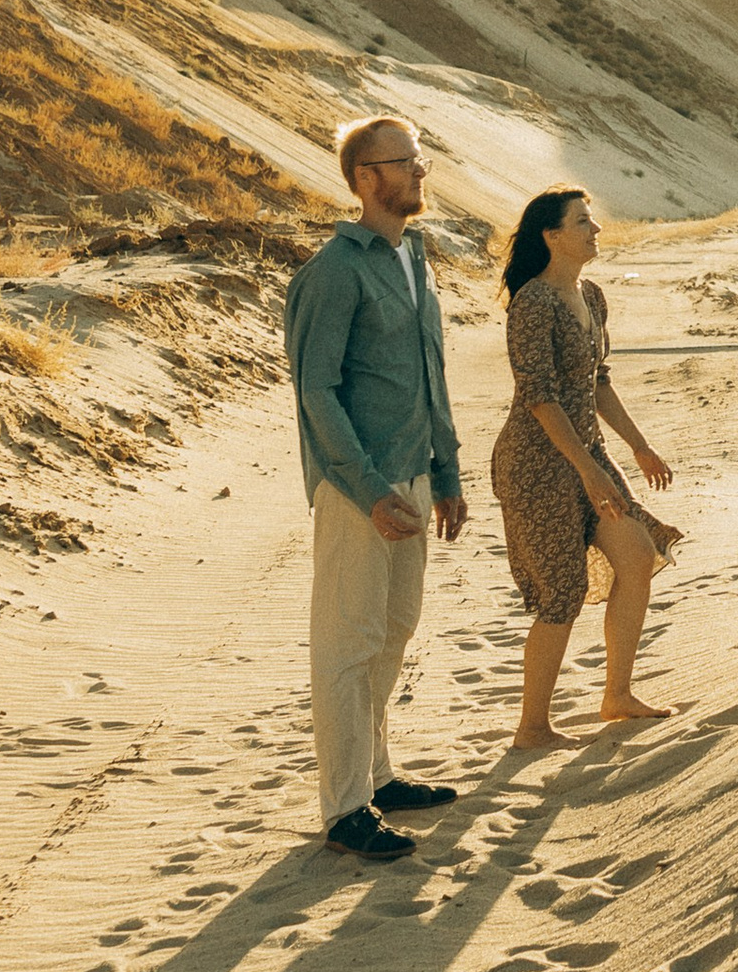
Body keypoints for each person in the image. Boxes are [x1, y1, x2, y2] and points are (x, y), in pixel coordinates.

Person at [282, 114, 467, 861]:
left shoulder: (413, 256)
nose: (421, 171)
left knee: (393, 634)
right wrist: (367, 489)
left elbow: (432, 374)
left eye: (421, 159)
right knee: (347, 646)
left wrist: (445, 472)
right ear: (366, 178)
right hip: (358, 488)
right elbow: (316, 392)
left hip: (414, 476)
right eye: (406, 161)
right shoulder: (334, 271)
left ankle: (377, 776)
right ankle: (344, 810)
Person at [490, 188, 683, 748]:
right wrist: (588, 471)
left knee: (637, 555)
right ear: (552, 236)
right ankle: (532, 728)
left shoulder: (591, 296)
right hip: (536, 464)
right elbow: (539, 397)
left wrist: (639, 447)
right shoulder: (532, 303)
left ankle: (617, 695)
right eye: (582, 222)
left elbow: (598, 382)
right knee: (561, 593)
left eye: (592, 220)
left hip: (586, 454)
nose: (595, 229)